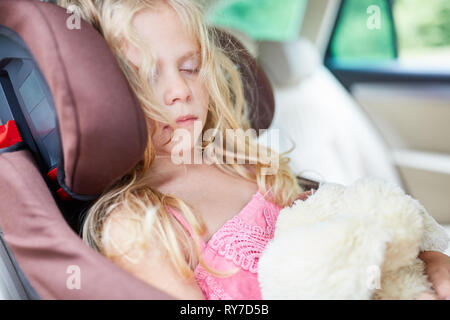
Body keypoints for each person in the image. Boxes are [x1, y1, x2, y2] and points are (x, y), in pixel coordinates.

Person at [57, 0, 450, 300]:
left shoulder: (245, 164)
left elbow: (343, 237)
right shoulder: (137, 226)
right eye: (148, 77)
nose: (180, 91)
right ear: (103, 95)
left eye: (190, 67)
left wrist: (423, 260)